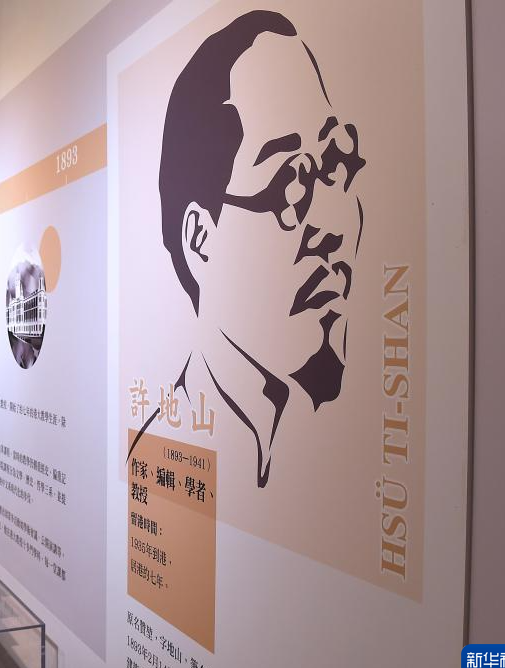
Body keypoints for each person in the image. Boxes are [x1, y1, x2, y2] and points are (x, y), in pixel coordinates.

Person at [156, 10, 366, 487]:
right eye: (291, 182)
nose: (332, 225)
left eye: (334, 162)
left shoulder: (338, 449)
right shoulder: (157, 453)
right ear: (200, 240)